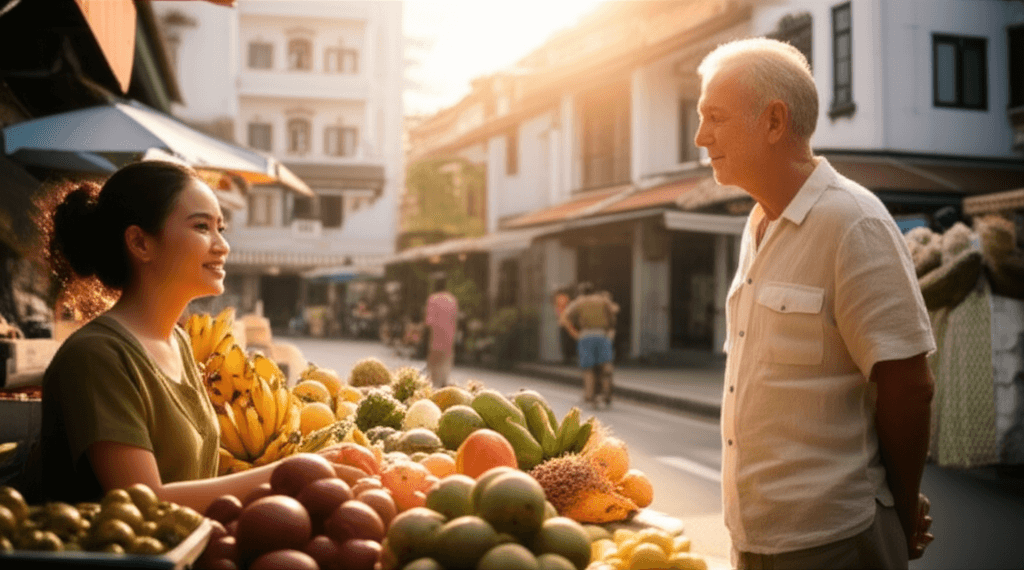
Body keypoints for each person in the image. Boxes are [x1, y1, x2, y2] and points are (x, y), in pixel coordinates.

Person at [694, 38, 935, 569]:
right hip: (752, 536)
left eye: (715, 117)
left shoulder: (854, 222)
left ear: (774, 122)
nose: (700, 137)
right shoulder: (757, 224)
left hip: (834, 540)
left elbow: (908, 385)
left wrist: (898, 502)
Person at [38, 160, 343, 514]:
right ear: (140, 242)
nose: (222, 246)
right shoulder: (96, 356)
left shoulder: (179, 343)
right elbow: (144, 503)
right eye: (202, 227)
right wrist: (293, 474)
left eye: (221, 228)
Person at [559, 281, 617, 409]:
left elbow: (565, 317)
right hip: (602, 335)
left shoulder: (579, 302)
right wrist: (610, 329)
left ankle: (589, 396)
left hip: (586, 336)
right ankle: (607, 395)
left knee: (588, 369)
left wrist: (574, 332)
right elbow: (613, 314)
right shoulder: (602, 300)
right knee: (606, 366)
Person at [424, 275, 458, 387]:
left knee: (434, 369)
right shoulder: (452, 299)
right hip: (449, 337)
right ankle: (444, 386)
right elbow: (455, 319)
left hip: (435, 337)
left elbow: (429, 322)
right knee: (445, 366)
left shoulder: (433, 299)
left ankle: (435, 391)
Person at [552, 286, 576, 364]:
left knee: (565, 340)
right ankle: (568, 357)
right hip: (566, 322)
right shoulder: (564, 298)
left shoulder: (560, 298)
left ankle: (568, 357)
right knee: (567, 340)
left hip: (564, 322)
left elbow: (558, 309)